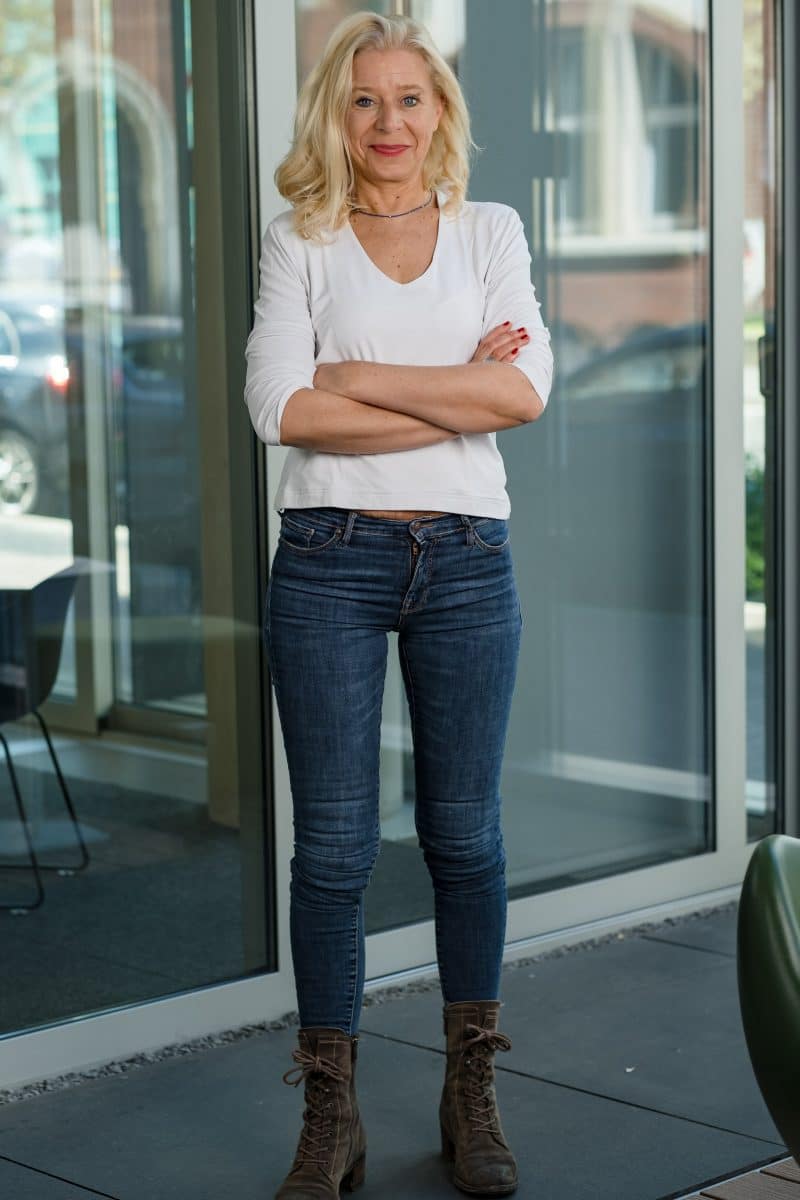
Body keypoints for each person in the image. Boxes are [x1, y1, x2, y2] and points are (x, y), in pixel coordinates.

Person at [244, 11, 554, 1198]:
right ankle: (332, 1113)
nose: (388, 122)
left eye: (409, 99)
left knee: (461, 835)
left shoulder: (489, 231)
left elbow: (521, 393)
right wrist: (453, 395)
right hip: (327, 556)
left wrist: (360, 377)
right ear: (337, 113)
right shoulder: (300, 242)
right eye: (364, 100)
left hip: (468, 559)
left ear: (440, 112)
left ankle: (467, 1087)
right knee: (329, 853)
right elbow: (281, 410)